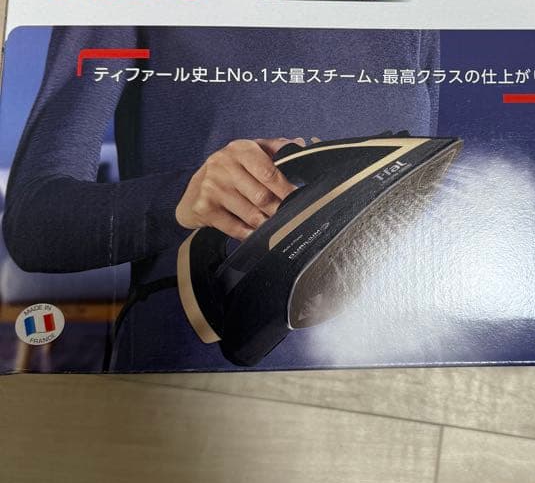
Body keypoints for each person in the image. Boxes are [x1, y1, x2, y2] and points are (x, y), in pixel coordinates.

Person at [3, 24, 440, 371]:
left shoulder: (407, 7)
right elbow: (33, 222)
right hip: (196, 375)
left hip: (392, 366)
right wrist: (184, 198)